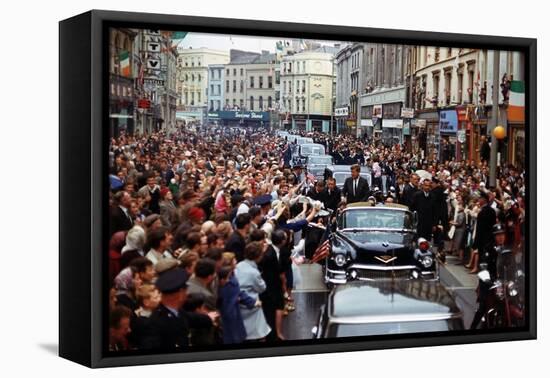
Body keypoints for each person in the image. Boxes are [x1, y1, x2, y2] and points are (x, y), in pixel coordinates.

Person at [149, 269, 217, 350]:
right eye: (185, 290)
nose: (187, 293)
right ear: (180, 294)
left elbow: (190, 318)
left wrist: (209, 318)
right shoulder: (156, 323)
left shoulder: (176, 311)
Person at [470, 223, 506, 329]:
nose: (501, 237)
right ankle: (472, 327)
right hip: (490, 282)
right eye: (498, 235)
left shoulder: (507, 249)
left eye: (502, 234)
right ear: (494, 236)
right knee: (483, 306)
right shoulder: (488, 249)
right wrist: (488, 279)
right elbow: (483, 266)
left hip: (503, 282)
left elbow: (513, 265)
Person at [234, 242, 271, 341]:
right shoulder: (254, 272)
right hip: (252, 306)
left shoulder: (239, 265)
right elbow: (262, 288)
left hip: (239, 304)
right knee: (260, 334)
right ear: (258, 257)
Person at [259, 229, 287, 341]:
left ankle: (275, 332)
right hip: (271, 287)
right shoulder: (270, 254)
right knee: (272, 310)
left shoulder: (274, 251)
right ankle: (274, 334)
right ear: (282, 241)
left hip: (274, 286)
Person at [466, 191, 497, 274]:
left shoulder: (483, 212)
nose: (478, 200)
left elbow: (480, 230)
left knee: (483, 264)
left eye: (480, 198)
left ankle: (483, 284)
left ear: (484, 199)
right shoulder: (491, 211)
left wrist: (476, 243)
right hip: (490, 241)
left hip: (483, 242)